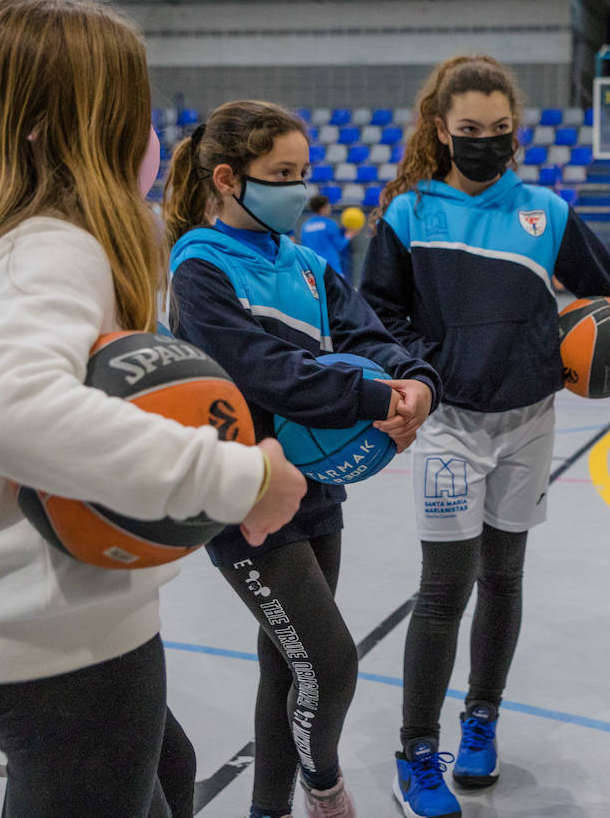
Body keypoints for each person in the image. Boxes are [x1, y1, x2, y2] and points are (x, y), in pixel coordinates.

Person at [0, 0, 304, 818]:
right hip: (52, 640)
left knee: (171, 768)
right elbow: (10, 411)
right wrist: (236, 477)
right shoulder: (50, 244)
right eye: (134, 109)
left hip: (12, 625)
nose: (153, 135)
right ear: (70, 126)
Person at [360, 54, 610, 818]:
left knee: (503, 578)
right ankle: (417, 750)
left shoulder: (547, 210)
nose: (485, 141)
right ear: (442, 130)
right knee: (442, 592)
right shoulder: (410, 213)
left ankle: (482, 719)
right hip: (448, 423)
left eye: (499, 129)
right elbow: (378, 314)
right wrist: (417, 372)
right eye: (469, 129)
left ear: (516, 131)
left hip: (528, 421)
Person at [164, 100, 442, 818]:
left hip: (314, 487)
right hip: (242, 494)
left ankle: (269, 810)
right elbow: (263, 370)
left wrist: (415, 385)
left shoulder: (309, 264)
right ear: (228, 179)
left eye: (303, 172)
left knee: (283, 663)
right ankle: (323, 784)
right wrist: (370, 397)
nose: (297, 186)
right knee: (328, 662)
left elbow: (371, 335)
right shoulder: (199, 266)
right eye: (280, 174)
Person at [299, 193, 353, 280]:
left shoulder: (305, 226)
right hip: (331, 268)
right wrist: (349, 235)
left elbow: (304, 248)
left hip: (312, 269)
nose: (330, 207)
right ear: (323, 208)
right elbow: (339, 246)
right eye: (328, 205)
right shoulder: (330, 224)